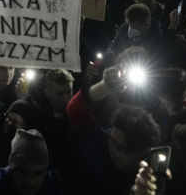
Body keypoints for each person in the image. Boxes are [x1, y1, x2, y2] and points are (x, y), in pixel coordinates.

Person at [66, 66, 161, 195]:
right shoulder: (100, 141)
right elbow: (75, 110)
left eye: (120, 147)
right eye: (112, 140)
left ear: (139, 152)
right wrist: (105, 85)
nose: (112, 147)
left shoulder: (148, 176)